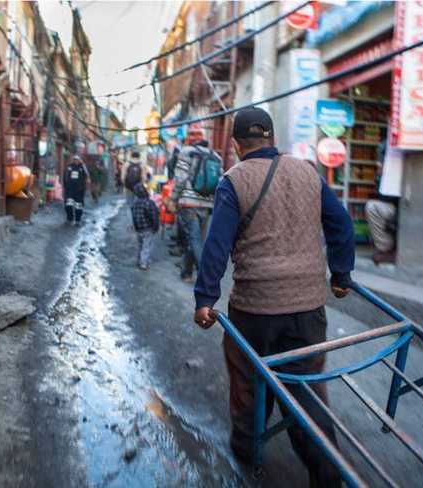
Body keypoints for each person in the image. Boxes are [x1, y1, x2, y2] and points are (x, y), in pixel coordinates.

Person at [193, 107, 355, 487]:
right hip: (308, 307)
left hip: (255, 309)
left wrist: (205, 298)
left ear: (235, 146)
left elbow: (216, 246)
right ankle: (327, 473)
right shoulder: (307, 172)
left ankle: (247, 446)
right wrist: (342, 275)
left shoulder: (234, 181)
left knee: (249, 379)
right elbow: (341, 224)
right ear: (271, 138)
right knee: (305, 389)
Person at [168, 127, 222, 282]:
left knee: (194, 239)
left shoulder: (186, 152)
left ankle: (206, 276)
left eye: (193, 134)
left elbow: (180, 178)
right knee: (196, 239)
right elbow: (220, 181)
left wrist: (173, 198)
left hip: (189, 203)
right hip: (207, 204)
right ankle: (186, 273)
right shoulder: (216, 156)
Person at [366, 142, 400, 264]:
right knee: (373, 206)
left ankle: (387, 249)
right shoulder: (386, 172)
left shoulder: (396, 168)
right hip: (395, 207)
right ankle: (385, 248)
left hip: (403, 209)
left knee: (373, 207)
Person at [131, 182, 159, 270]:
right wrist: (155, 226)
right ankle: (143, 263)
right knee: (146, 246)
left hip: (139, 228)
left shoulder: (134, 204)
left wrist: (135, 227)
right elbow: (154, 216)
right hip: (148, 228)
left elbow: (134, 217)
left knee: (140, 245)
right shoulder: (149, 203)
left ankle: (139, 260)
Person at [63, 154, 90, 225]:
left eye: (77, 159)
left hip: (79, 191)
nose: (76, 161)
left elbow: (87, 177)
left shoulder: (82, 167)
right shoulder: (69, 167)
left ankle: (78, 220)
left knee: (78, 206)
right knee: (68, 205)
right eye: (75, 159)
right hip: (70, 190)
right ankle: (69, 219)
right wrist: (66, 187)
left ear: (80, 160)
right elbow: (65, 176)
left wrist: (84, 187)